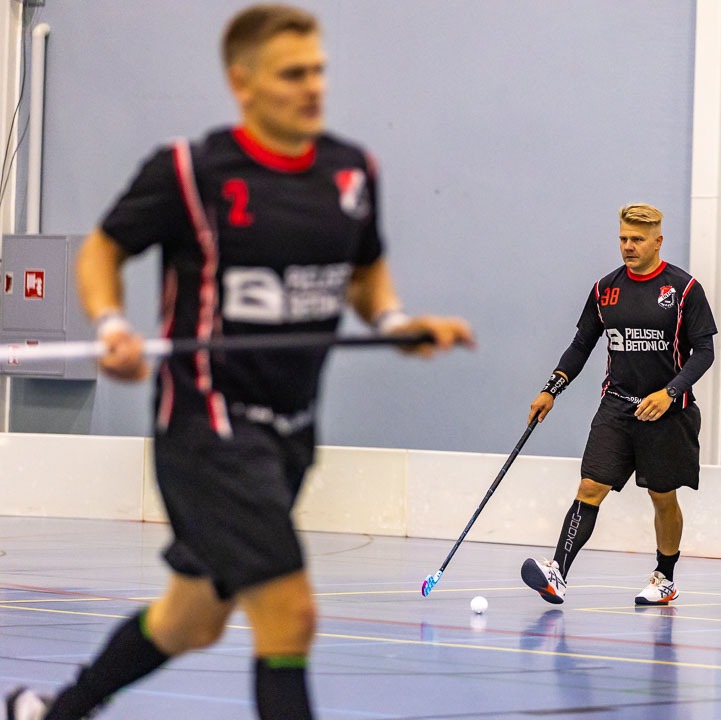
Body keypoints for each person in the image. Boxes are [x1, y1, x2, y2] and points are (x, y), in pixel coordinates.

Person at [4, 5, 472, 720]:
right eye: (292, 74)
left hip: (291, 434)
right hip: (207, 430)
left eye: (318, 71)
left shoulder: (352, 172)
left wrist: (394, 323)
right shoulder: (190, 172)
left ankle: (52, 713)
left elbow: (364, 272)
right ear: (242, 82)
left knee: (190, 620)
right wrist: (111, 324)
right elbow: (103, 250)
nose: (313, 87)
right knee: (291, 616)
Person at [520, 203, 717, 606]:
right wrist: (551, 389)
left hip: (667, 412)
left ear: (658, 241)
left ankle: (665, 577)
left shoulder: (684, 289)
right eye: (624, 238)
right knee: (590, 486)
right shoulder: (605, 290)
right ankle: (558, 572)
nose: (628, 246)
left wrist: (670, 392)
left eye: (637, 240)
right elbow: (581, 345)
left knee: (662, 496)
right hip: (616, 407)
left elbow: (704, 352)